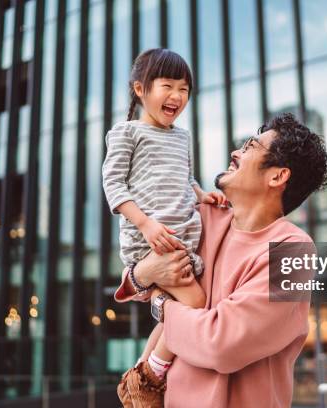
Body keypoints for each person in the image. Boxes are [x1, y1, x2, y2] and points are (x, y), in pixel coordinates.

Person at [114, 113, 327, 407]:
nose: (235, 152)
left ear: (277, 176)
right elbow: (136, 279)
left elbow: (220, 343)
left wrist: (162, 304)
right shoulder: (202, 219)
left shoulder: (294, 251)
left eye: (250, 147)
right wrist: (146, 272)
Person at [101, 48, 227, 407]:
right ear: (140, 89)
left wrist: (203, 195)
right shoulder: (126, 132)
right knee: (197, 303)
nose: (176, 96)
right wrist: (145, 223)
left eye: (184, 89)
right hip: (151, 242)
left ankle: (141, 371)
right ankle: (152, 374)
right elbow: (113, 185)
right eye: (167, 86)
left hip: (178, 239)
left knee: (177, 307)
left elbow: (183, 178)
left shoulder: (182, 137)